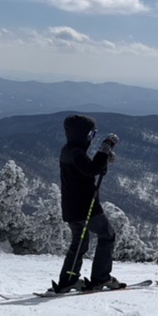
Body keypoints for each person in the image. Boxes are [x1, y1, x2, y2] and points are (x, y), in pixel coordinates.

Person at [49, 115, 123, 293]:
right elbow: (91, 170)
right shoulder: (75, 153)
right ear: (83, 134)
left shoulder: (68, 150)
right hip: (84, 206)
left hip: (71, 206)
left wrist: (102, 158)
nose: (92, 137)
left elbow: (87, 169)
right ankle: (100, 277)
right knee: (107, 235)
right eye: (92, 134)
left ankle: (69, 279)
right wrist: (105, 149)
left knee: (80, 242)